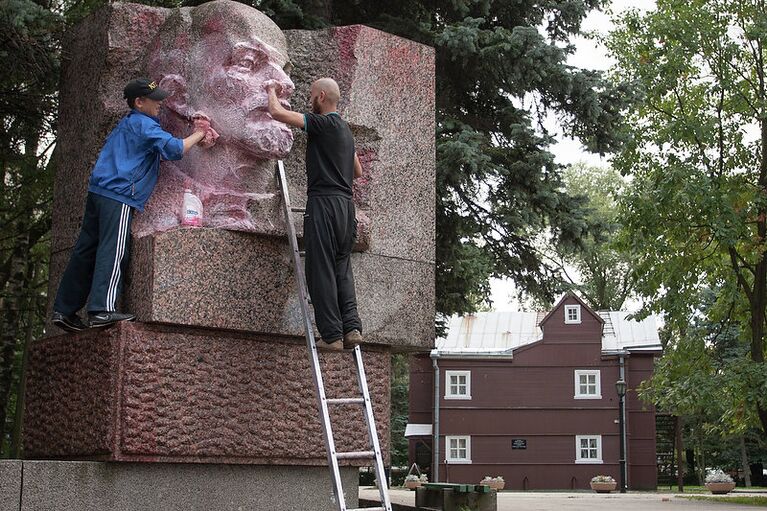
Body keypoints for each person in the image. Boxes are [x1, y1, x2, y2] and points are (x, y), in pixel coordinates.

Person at [51, 78, 217, 332]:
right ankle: (102, 310)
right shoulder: (143, 124)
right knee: (114, 250)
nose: (160, 103)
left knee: (85, 251)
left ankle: (64, 310)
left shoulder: (130, 123)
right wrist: (199, 133)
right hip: (119, 194)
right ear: (139, 102)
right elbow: (175, 149)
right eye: (155, 99)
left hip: (100, 191)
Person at [135, 0, 296, 235]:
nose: (285, 84)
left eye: (286, 71)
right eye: (247, 62)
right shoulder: (151, 207)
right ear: (179, 95)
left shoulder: (295, 210)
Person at [265, 77, 363, 350]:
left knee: (320, 268)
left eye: (311, 95)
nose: (310, 100)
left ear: (321, 96)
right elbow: (357, 171)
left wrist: (271, 89)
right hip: (346, 207)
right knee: (342, 268)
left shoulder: (325, 123)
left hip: (324, 203)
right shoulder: (344, 129)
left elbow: (277, 113)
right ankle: (351, 327)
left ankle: (331, 336)